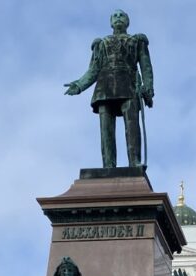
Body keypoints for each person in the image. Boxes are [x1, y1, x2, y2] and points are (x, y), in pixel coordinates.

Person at [64, 9, 154, 168]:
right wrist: (78, 85)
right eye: (115, 16)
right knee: (106, 130)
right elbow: (93, 70)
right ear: (111, 22)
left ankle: (134, 163)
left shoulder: (136, 41)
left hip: (130, 85)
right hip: (105, 87)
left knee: (132, 127)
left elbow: (146, 66)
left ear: (127, 22)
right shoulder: (102, 43)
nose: (118, 18)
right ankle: (108, 165)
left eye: (122, 16)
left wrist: (148, 88)